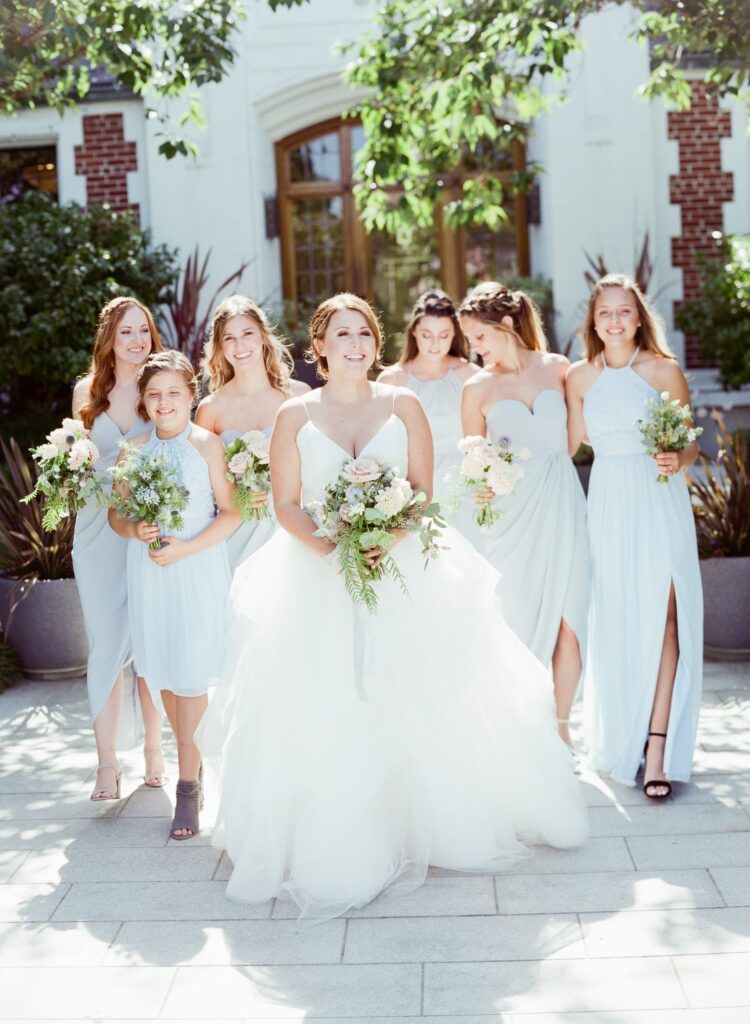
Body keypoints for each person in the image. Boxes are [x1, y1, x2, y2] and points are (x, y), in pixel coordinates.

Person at [200, 292, 587, 919]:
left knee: (416, 688)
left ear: (377, 344)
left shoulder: (402, 403)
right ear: (319, 347)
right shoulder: (294, 416)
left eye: (365, 334)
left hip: (402, 563)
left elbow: (425, 492)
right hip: (317, 570)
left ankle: (425, 818)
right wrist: (333, 545)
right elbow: (287, 505)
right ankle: (339, 827)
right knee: (327, 698)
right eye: (342, 334)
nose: (356, 344)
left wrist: (386, 536)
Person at [566, 273, 703, 798]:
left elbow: (690, 444)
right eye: (605, 313)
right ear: (593, 322)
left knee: (667, 617)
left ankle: (658, 749)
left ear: (639, 317)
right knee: (620, 618)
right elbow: (565, 446)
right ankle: (625, 731)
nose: (615, 320)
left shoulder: (664, 370)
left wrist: (678, 455)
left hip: (658, 497)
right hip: (608, 502)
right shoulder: (579, 378)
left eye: (624, 311)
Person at [109, 350, 239, 838]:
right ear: (144, 400)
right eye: (155, 394)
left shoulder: (207, 444)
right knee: (161, 668)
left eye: (174, 393)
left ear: (191, 395)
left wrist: (186, 548)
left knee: (192, 673)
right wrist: (133, 528)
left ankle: (187, 786)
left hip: (195, 565)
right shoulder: (133, 448)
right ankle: (191, 756)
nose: (165, 402)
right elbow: (115, 516)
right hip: (150, 573)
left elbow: (230, 512)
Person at [459, 284, 589, 751]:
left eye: (478, 336)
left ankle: (560, 724)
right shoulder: (476, 388)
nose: (473, 347)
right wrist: (486, 482)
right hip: (511, 513)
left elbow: (574, 443)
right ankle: (521, 726)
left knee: (570, 616)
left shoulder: (559, 370)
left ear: (507, 326)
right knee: (515, 616)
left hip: (562, 498)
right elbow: (473, 458)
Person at [72, 296, 165, 801]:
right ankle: (106, 763)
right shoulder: (87, 392)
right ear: (109, 339)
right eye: (126, 332)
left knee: (148, 639)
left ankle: (154, 749)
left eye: (144, 331)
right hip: (95, 530)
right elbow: (80, 459)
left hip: (147, 522)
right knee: (105, 640)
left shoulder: (160, 386)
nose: (137, 341)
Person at [195, 295, 309, 570]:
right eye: (230, 338)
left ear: (263, 337)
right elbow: (200, 482)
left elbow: (315, 464)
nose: (240, 345)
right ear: (220, 348)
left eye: (247, 334)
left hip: (290, 527)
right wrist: (237, 493)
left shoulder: (298, 396)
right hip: (236, 532)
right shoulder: (211, 409)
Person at [378, 290, 478, 510]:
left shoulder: (470, 375)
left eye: (444, 335)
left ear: (455, 334)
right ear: (413, 331)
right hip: (413, 484)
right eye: (426, 335)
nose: (435, 344)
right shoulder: (392, 379)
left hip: (465, 485)